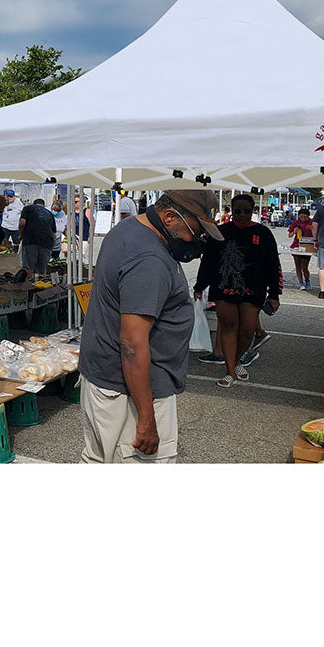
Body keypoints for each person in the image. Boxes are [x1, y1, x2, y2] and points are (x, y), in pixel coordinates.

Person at [79, 190, 221, 463]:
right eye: (196, 230)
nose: (198, 239)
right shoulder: (149, 259)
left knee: (99, 460)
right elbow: (132, 343)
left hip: (105, 378)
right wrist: (146, 418)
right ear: (169, 217)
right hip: (129, 392)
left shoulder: (130, 228)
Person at [194, 193, 282, 387]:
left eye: (246, 211)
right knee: (227, 327)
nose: (242, 214)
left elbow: (273, 264)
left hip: (254, 288)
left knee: (248, 329)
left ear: (253, 211)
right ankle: (230, 371)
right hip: (224, 286)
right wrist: (200, 286)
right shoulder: (219, 231)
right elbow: (208, 262)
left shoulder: (263, 232)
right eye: (238, 211)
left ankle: (237, 360)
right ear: (232, 211)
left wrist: (274, 294)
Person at [19, 198, 57, 278]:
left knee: (29, 268)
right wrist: (52, 246)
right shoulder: (49, 214)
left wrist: (21, 235)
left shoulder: (28, 208)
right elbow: (54, 235)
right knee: (41, 270)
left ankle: (28, 288)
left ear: (34, 203)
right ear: (43, 205)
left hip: (31, 239)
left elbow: (22, 223)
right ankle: (41, 288)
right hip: (47, 242)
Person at [288, 207, 313, 291]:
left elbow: (317, 234)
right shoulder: (296, 223)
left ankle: (307, 280)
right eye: (301, 217)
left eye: (305, 217)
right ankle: (301, 282)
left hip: (307, 246)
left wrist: (312, 229)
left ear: (308, 216)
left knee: (304, 267)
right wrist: (294, 231)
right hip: (296, 245)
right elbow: (290, 235)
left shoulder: (311, 223)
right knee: (297, 266)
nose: (302, 219)